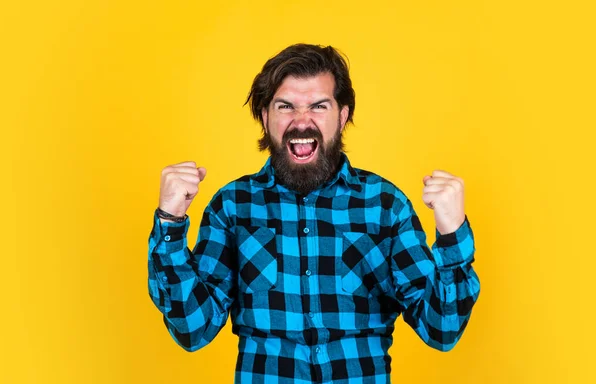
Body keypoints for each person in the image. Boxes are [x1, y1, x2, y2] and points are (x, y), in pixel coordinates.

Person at [148, 43, 480, 384]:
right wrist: (169, 224)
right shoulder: (232, 207)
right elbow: (192, 329)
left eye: (319, 106)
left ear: (343, 115)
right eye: (286, 106)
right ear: (265, 117)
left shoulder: (385, 206)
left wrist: (452, 234)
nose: (302, 121)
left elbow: (442, 330)